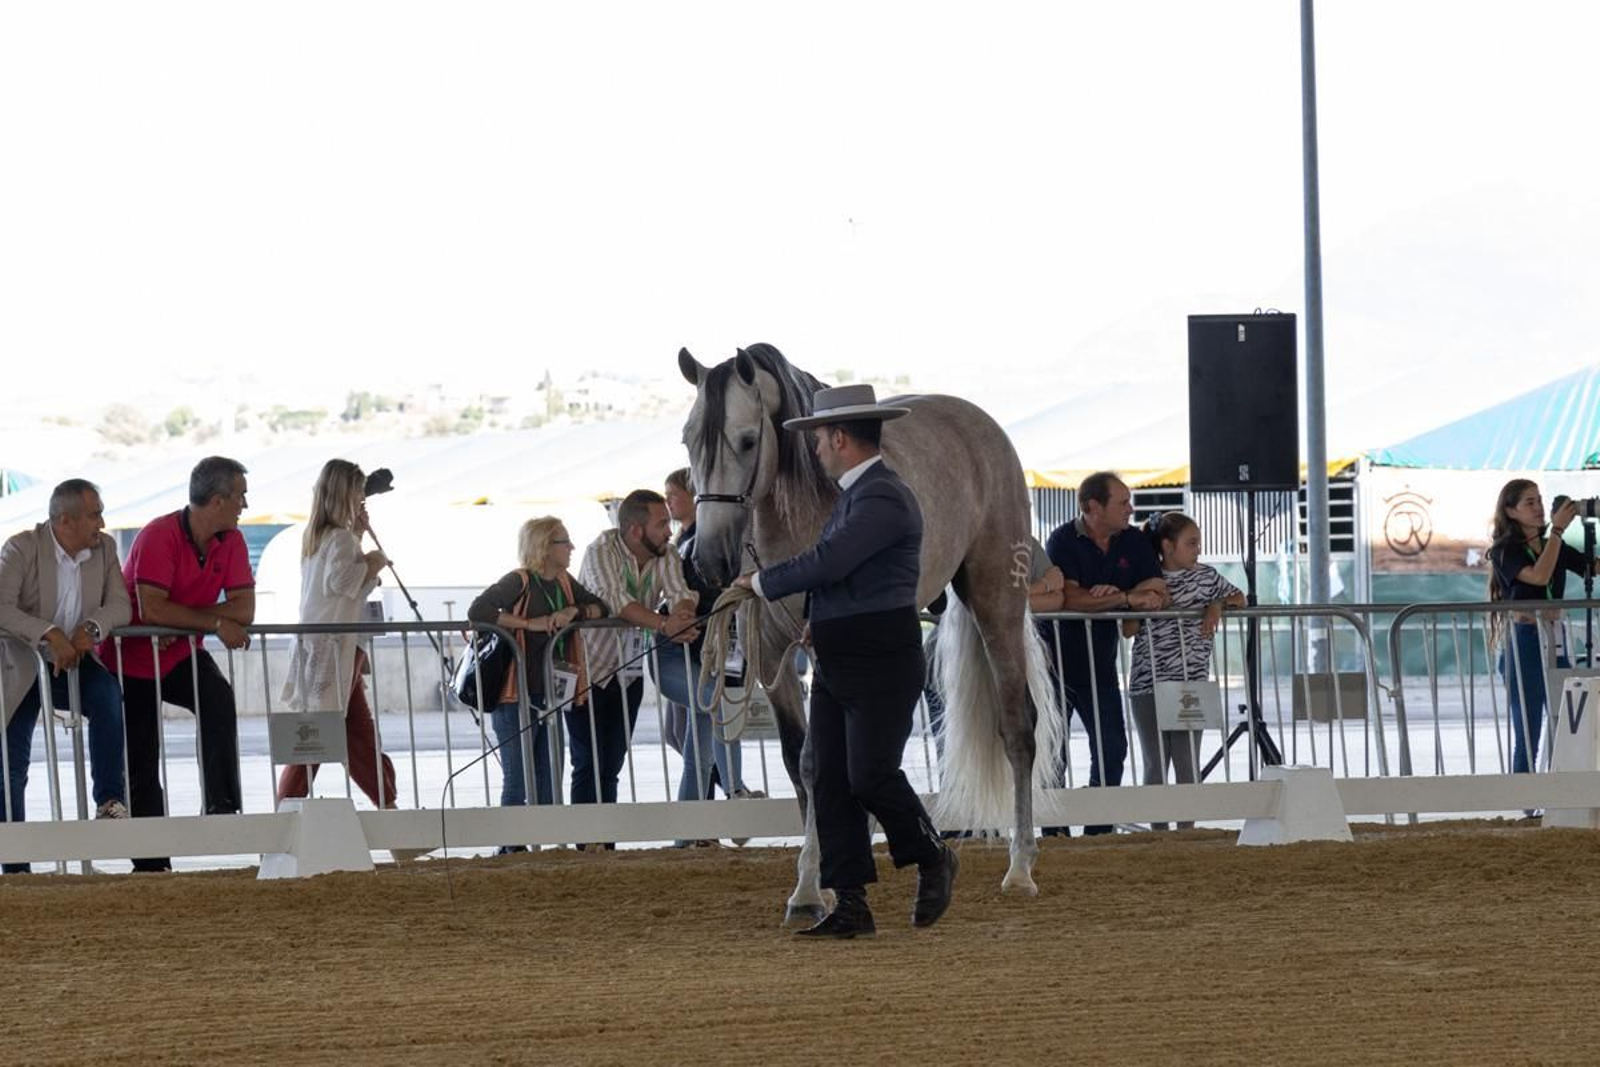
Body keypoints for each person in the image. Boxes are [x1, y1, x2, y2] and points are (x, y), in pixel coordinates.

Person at [736, 383, 956, 939]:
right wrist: (819, 621)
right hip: (844, 653)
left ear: (838, 437)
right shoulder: (857, 497)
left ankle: (932, 854)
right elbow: (850, 576)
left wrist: (759, 582)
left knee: (870, 775)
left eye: (817, 440)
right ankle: (852, 900)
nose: (813, 450)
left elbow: (830, 562)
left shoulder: (881, 495)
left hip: (879, 656)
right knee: (830, 778)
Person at [103, 456, 254, 872]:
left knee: (218, 697)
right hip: (129, 659)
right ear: (218, 500)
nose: (245, 504)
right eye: (240, 495)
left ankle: (222, 807)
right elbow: (152, 608)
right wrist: (212, 620)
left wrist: (180, 617)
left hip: (178, 651)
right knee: (142, 755)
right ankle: (152, 862)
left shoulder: (233, 540)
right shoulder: (158, 534)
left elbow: (246, 609)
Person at [0, 479, 133, 873]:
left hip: (75, 660)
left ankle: (110, 801)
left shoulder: (105, 549)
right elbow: (1, 607)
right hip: (20, 662)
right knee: (11, 759)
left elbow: (121, 606)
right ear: (65, 519)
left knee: (108, 696)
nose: (102, 523)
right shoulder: (21, 547)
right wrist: (49, 632)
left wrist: (91, 628)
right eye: (95, 514)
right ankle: (14, 863)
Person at [469, 515, 607, 844]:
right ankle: (510, 848)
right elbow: (479, 610)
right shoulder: (519, 580)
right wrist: (528, 624)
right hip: (514, 691)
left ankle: (546, 844)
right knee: (517, 778)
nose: (571, 547)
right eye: (564, 542)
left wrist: (573, 612)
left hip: (549, 691)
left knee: (548, 774)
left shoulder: (563, 581)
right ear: (545, 547)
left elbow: (599, 606)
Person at [1043, 471, 1168, 836]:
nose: (1131, 509)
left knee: (1113, 748)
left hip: (1100, 662)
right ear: (1091, 507)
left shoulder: (1131, 540)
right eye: (1123, 502)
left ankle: (1099, 829)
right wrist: (1125, 598)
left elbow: (1157, 588)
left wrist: (1111, 597)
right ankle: (1054, 831)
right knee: (1052, 753)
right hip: (1054, 663)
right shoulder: (1062, 540)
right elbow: (1068, 598)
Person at [276, 460, 399, 811]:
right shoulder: (341, 538)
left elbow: (334, 583)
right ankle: (387, 811)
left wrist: (361, 543)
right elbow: (344, 583)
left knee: (341, 732)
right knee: (325, 735)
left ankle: (387, 810)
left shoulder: (317, 536)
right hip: (337, 647)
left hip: (322, 646)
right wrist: (374, 561)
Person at [575, 489, 700, 812]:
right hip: (584, 671)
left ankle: (606, 842)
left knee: (614, 760)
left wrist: (682, 616)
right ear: (635, 530)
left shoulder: (667, 554)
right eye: (661, 524)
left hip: (627, 671)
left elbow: (679, 591)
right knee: (588, 761)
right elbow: (615, 601)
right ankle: (585, 844)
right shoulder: (600, 551)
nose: (669, 531)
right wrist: (664, 625)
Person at [1123, 513, 1243, 830]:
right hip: (1149, 682)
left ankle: (1186, 830)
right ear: (1167, 546)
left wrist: (1217, 605)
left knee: (1188, 760)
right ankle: (1158, 831)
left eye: (1198, 543)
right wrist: (1140, 601)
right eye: (1191, 543)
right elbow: (1128, 628)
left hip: (1191, 683)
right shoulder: (1147, 579)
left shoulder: (1206, 578)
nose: (1197, 550)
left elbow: (1239, 597)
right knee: (1156, 762)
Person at [662, 466, 754, 814]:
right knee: (687, 730)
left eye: (673, 494)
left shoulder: (705, 539)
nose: (668, 502)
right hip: (689, 647)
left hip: (711, 643)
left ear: (693, 495)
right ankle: (720, 798)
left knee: (705, 721)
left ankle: (725, 793)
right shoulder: (678, 542)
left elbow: (711, 586)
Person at [1487, 480, 1591, 777]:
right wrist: (1557, 530)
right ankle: (1524, 799)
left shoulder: (1551, 545)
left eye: (1539, 501)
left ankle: (1561, 791)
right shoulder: (1504, 550)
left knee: (1568, 720)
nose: (1539, 508)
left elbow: (1591, 566)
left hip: (1555, 638)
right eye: (1529, 503)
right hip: (1525, 640)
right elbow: (1540, 576)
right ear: (1511, 511)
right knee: (1529, 726)